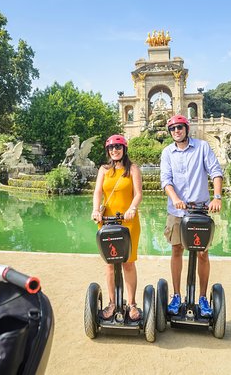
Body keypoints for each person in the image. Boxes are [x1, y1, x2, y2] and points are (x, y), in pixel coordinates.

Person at [159, 115, 223, 317]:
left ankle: (203, 297)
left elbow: (215, 172)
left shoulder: (202, 147)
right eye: (173, 129)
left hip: (200, 210)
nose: (176, 131)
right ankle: (177, 295)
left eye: (180, 127)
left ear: (186, 128)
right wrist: (175, 198)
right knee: (176, 250)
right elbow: (166, 180)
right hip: (177, 211)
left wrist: (217, 197)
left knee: (203, 253)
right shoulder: (167, 152)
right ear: (170, 133)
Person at [91, 134, 143, 321]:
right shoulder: (104, 170)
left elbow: (138, 194)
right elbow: (98, 192)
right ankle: (112, 303)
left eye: (118, 147)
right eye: (111, 148)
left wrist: (132, 208)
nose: (115, 150)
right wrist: (95, 209)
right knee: (111, 265)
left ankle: (132, 304)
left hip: (128, 222)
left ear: (124, 149)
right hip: (107, 222)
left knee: (128, 263)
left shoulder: (133, 169)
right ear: (108, 151)